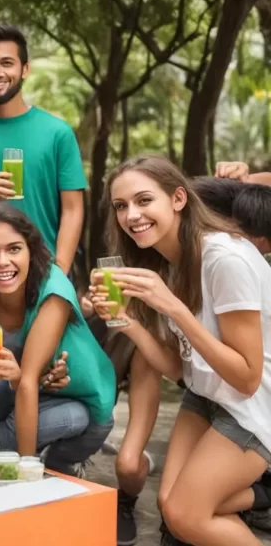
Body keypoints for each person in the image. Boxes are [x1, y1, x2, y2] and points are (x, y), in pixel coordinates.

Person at [93, 157, 271, 546]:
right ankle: (255, 499)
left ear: (177, 198)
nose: (131, 215)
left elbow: (246, 378)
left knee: (184, 515)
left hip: (254, 405)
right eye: (121, 206)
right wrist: (126, 320)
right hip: (206, 397)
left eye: (143, 200)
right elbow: (178, 367)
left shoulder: (226, 259)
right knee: (169, 503)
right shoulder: (168, 261)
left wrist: (170, 306)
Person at [0, 203, 115, 476]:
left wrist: (24, 471)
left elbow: (27, 381)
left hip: (85, 400)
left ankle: (56, 461)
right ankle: (19, 444)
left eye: (14, 248)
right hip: (35, 387)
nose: (2, 261)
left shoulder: (53, 289)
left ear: (31, 251)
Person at [0, 23, 86, 270]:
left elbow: (73, 210)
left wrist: (60, 271)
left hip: (45, 271)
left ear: (25, 69)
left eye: (7, 63)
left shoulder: (58, 133)